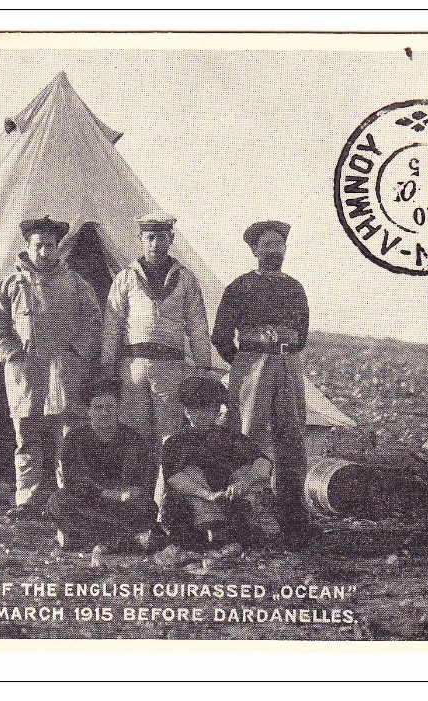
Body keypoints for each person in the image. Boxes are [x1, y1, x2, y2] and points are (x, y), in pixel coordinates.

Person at [0, 216, 102, 516]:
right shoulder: (10, 286)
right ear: (28, 246)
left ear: (58, 247)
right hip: (26, 373)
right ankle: (28, 499)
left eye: (50, 246)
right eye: (39, 246)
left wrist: (75, 352)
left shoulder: (76, 284)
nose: (45, 253)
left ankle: (70, 498)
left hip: (63, 372)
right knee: (27, 437)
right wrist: (12, 353)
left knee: (68, 437)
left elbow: (94, 322)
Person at [100, 212, 211, 517]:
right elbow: (113, 326)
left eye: (163, 237)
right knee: (134, 436)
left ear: (171, 239)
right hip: (133, 366)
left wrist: (202, 371)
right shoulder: (125, 278)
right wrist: (108, 370)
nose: (157, 243)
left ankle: (164, 506)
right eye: (151, 237)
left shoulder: (186, 279)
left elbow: (198, 327)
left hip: (171, 368)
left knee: (168, 438)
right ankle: (134, 504)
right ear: (141, 239)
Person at [211, 220, 311, 544]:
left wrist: (283, 353)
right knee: (248, 436)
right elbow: (221, 336)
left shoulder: (295, 287)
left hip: (288, 365)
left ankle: (293, 518)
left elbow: (302, 334)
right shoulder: (239, 287)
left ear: (285, 249)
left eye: (278, 244)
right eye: (266, 244)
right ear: (255, 250)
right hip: (252, 364)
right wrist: (244, 365)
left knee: (292, 438)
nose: (273, 250)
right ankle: (244, 517)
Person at [46, 375, 161, 551]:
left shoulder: (132, 439)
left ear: (118, 409)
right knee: (58, 502)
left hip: (121, 504)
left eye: (110, 407)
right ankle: (121, 539)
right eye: (99, 408)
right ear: (89, 411)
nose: (105, 413)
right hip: (89, 500)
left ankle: (86, 538)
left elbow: (139, 481)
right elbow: (73, 481)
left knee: (147, 507)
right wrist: (105, 493)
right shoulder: (74, 438)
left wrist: (129, 492)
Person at [160, 375, 272, 548]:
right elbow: (173, 477)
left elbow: (264, 462)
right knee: (191, 474)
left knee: (247, 472)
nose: (201, 414)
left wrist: (243, 482)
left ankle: (236, 528)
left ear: (216, 410)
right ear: (186, 411)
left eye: (207, 408)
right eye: (195, 409)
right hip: (197, 502)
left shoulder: (228, 437)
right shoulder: (176, 442)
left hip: (229, 499)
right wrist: (208, 495)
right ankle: (212, 531)